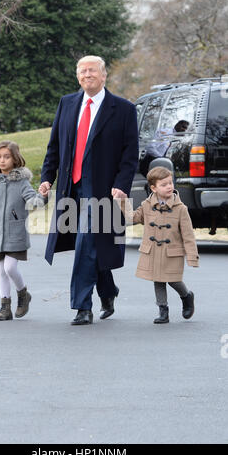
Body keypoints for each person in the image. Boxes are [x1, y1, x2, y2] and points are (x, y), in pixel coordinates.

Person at [39, 55, 139, 325]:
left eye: (92, 70)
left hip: (104, 191)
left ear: (104, 75)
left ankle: (82, 306)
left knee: (86, 241)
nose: (87, 75)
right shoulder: (67, 104)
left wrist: (121, 185)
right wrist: (47, 177)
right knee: (91, 243)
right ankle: (108, 290)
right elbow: (55, 146)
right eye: (82, 71)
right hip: (71, 188)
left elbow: (131, 155)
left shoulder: (124, 109)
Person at [120, 166, 199, 324]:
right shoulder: (147, 205)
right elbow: (132, 218)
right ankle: (163, 310)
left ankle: (186, 296)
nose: (169, 186)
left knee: (174, 280)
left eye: (170, 183)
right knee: (158, 280)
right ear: (153, 188)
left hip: (172, 252)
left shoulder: (180, 209)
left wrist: (192, 257)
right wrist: (122, 201)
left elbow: (188, 235)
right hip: (153, 251)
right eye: (164, 184)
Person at [0, 140, 48, 321]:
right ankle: (5, 308)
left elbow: (35, 202)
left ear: (15, 159)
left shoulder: (21, 182)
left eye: (6, 157)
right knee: (1, 270)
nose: (2, 160)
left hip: (16, 234)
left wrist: (43, 195)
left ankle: (23, 294)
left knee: (10, 267)